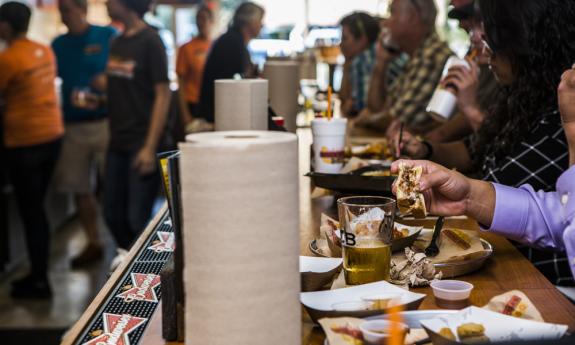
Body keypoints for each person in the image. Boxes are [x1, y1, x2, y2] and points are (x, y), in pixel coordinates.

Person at [393, 0, 575, 286]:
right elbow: (555, 215)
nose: (479, 38)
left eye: (487, 28)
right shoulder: (522, 94)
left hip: (544, 282)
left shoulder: (555, 115)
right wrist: (466, 196)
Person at [0, 1, 64, 298]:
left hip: (25, 143)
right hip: (52, 137)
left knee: (32, 212)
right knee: (37, 209)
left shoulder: (9, 58)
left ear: (6, 26)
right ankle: (39, 273)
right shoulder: (44, 50)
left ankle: (39, 279)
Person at [52, 0, 116, 267]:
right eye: (61, 11)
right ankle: (93, 242)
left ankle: (120, 243)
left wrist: (107, 79)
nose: (64, 16)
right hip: (73, 125)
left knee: (111, 185)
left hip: (104, 122)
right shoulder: (58, 45)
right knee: (79, 187)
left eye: (68, 10)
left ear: (82, 10)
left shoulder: (107, 36)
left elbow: (127, 70)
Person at [104, 0, 171, 249]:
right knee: (112, 215)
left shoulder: (151, 41)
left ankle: (143, 279)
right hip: (117, 140)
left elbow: (163, 94)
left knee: (136, 220)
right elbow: (124, 84)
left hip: (143, 140)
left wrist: (149, 147)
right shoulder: (117, 42)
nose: (107, 3)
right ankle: (128, 260)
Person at [354, 0, 452, 135]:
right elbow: (376, 108)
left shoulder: (431, 57)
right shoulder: (417, 55)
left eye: (392, 12)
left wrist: (368, 119)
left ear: (411, 17)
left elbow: (397, 121)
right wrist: (381, 62)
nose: (385, 23)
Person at [423, 0, 498, 142]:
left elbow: (502, 148)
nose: (475, 37)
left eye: (481, 23)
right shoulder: (472, 58)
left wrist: (469, 107)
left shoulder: (513, 74)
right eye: (471, 26)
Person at [197, 2, 264, 124]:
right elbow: (232, 85)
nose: (262, 25)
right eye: (260, 20)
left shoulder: (234, 40)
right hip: (217, 117)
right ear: (250, 22)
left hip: (219, 114)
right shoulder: (232, 43)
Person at [338, 13, 407, 117]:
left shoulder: (362, 61)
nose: (340, 44)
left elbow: (363, 109)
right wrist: (346, 63)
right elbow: (345, 101)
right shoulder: (397, 54)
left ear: (362, 40)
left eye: (345, 38)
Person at [176, 5, 214, 133]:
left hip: (211, 104)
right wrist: (185, 115)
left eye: (204, 19)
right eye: (198, 19)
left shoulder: (216, 47)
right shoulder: (186, 48)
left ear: (211, 21)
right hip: (192, 103)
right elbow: (180, 82)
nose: (201, 23)